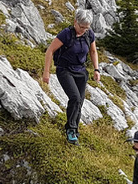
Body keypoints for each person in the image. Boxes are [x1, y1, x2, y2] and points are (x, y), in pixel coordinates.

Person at [40, 7, 100, 144]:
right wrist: (46, 72)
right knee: (75, 98)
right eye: (82, 26)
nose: (84, 30)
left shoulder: (89, 34)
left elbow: (93, 51)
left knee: (79, 102)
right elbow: (50, 51)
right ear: (75, 22)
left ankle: (75, 130)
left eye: (86, 27)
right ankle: (70, 130)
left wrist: (96, 69)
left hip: (81, 72)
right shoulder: (66, 34)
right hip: (65, 70)